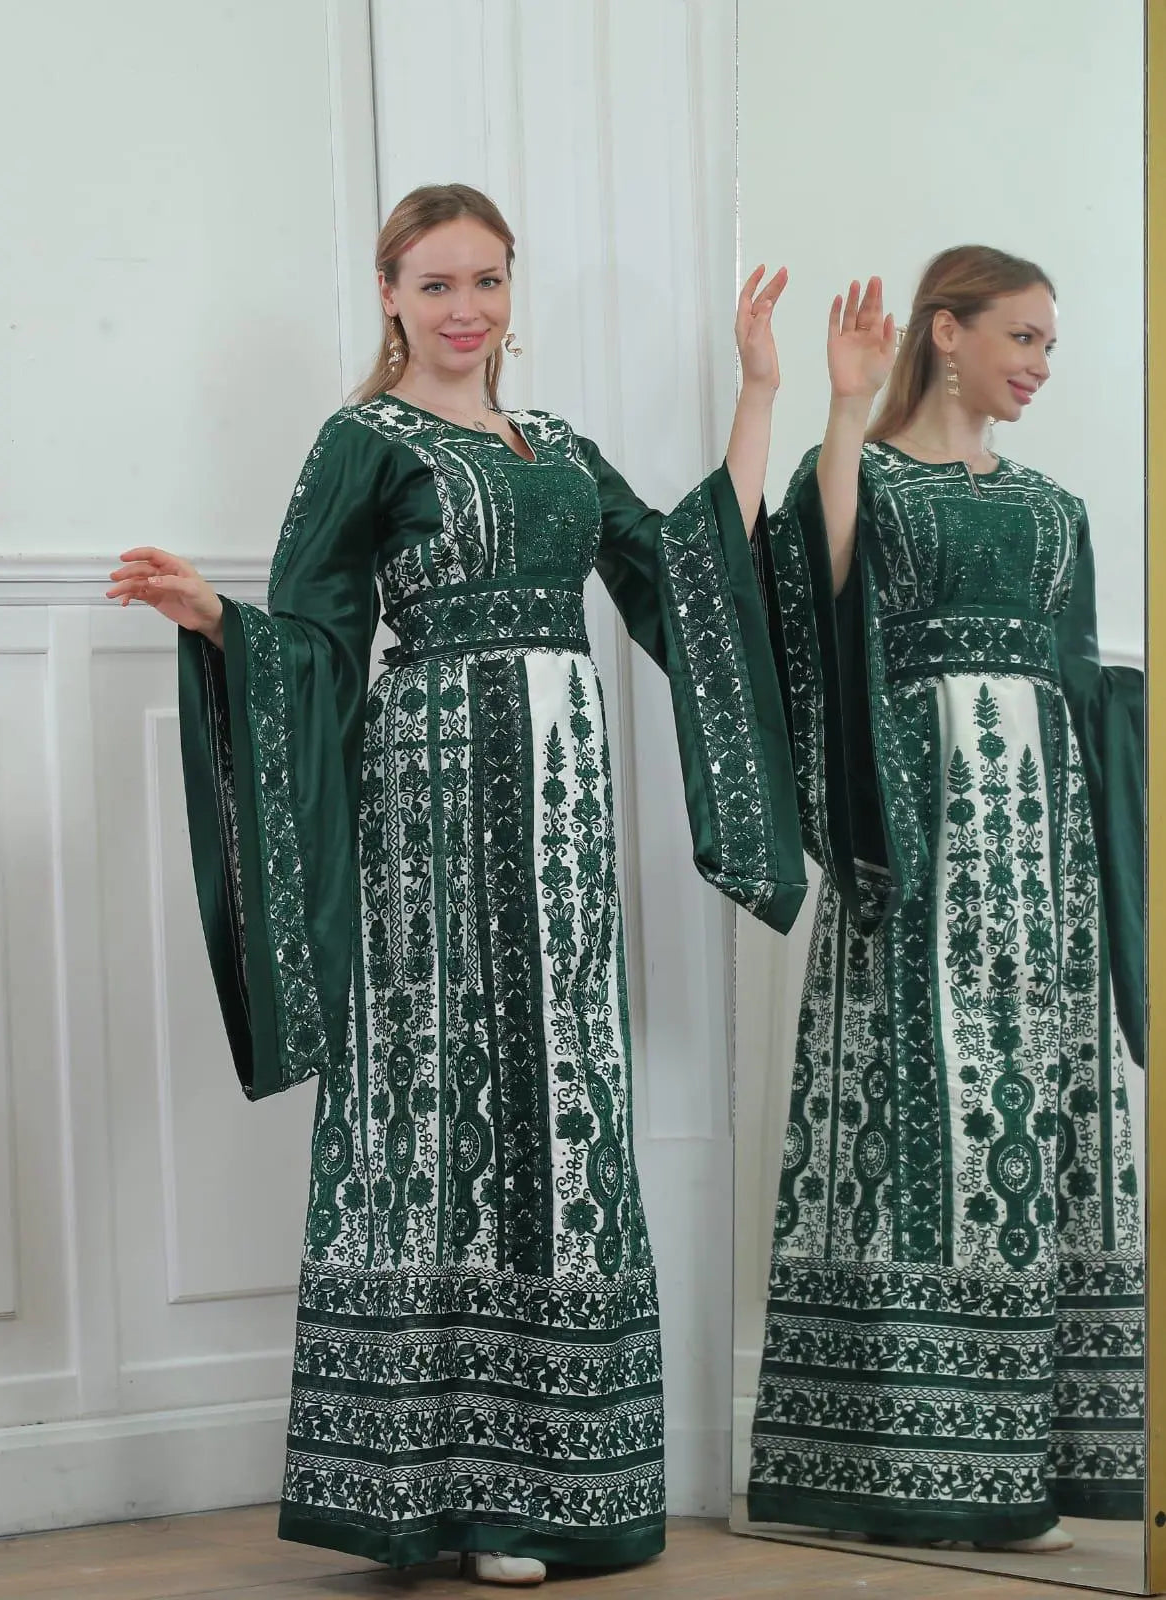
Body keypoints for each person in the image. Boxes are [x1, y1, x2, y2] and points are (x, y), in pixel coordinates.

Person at [107, 183, 807, 1585]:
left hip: (562, 826)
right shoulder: (363, 441)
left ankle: (555, 1485)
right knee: (440, 1106)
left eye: (487, 280)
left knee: (558, 1098)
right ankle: (453, 1494)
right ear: (390, 294)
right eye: (436, 284)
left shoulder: (559, 446)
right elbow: (316, 641)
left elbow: (693, 577)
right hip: (427, 823)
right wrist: (220, 622)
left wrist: (761, 391)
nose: (466, 308)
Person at [746, 247, 1145, 1552]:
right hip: (916, 848)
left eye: (1050, 345)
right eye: (1021, 337)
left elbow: (1081, 687)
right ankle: (904, 1458)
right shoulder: (868, 477)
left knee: (1034, 1116)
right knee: (921, 1118)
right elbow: (821, 585)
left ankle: (1025, 1457)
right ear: (948, 333)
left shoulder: (1056, 510)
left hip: (1045, 862)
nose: (1039, 365)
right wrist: (843, 402)